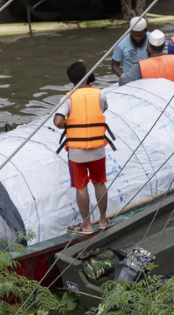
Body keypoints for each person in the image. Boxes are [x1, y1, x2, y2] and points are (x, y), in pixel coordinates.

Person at [53, 61, 113, 234]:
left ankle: (86, 225)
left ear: (71, 80)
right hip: (97, 148)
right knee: (99, 183)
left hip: (77, 152)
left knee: (81, 187)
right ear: (87, 76)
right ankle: (103, 220)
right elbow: (102, 110)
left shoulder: (68, 98)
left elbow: (57, 121)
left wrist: (69, 125)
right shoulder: (100, 94)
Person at [112, 16, 150, 84]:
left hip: (149, 79)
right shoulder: (121, 44)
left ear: (145, 31)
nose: (138, 38)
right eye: (135, 35)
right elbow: (114, 65)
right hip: (130, 81)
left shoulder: (153, 40)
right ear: (130, 32)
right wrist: (124, 77)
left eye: (141, 35)